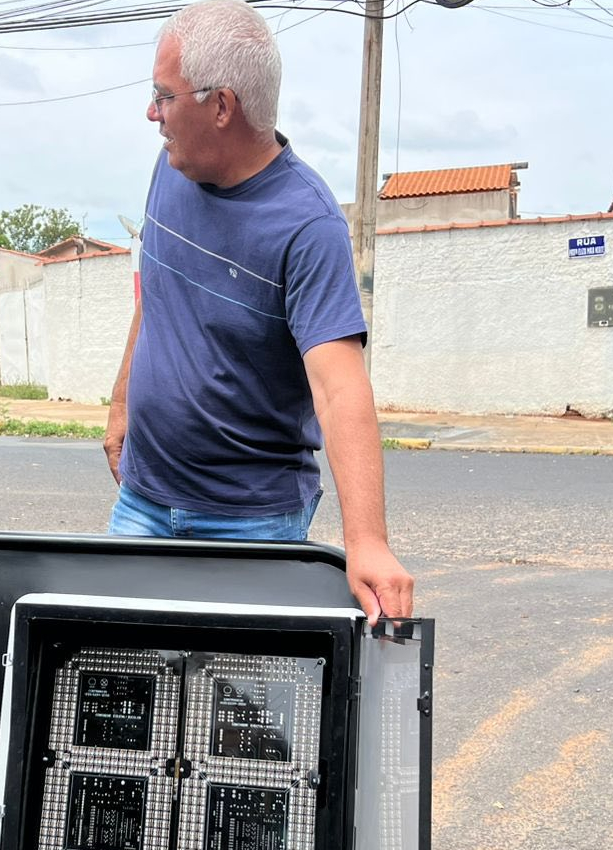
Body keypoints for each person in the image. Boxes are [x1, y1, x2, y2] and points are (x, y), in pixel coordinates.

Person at [103, 0, 413, 623]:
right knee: (118, 674)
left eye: (163, 95)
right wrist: (120, 406)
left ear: (221, 106)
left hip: (250, 522)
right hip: (142, 502)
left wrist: (368, 541)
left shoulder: (307, 225)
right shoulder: (170, 168)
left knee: (233, 684)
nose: (151, 113)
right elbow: (155, 294)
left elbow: (339, 389)